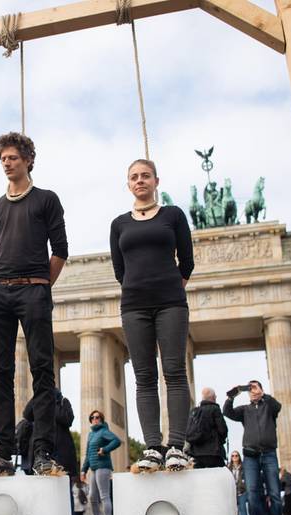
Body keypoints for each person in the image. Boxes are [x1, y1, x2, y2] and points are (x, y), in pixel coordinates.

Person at [0, 132, 68, 477]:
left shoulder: (46, 200)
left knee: (42, 371)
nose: (7, 163)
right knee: (0, 373)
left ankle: (41, 452)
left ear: (27, 160)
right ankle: (2, 454)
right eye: (3, 159)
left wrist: (40, 287)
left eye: (13, 157)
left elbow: (60, 250)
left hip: (34, 291)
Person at [110, 158, 194, 472]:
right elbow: (120, 270)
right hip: (134, 305)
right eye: (134, 177)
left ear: (156, 181)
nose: (140, 180)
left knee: (173, 371)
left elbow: (186, 260)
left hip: (171, 301)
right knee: (143, 377)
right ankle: (153, 447)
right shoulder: (119, 224)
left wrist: (170, 286)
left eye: (146, 176)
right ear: (128, 184)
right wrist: (141, 288)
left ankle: (176, 446)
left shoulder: (173, 215)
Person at [224, 380, 283, 515]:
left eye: (255, 388)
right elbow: (228, 412)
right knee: (252, 492)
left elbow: (278, 406)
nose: (252, 391)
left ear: (261, 390)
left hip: (269, 453)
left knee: (275, 492)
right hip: (250, 456)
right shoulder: (245, 410)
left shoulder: (269, 407)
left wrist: (263, 395)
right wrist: (231, 397)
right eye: (250, 389)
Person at [80, 410, 121, 515]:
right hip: (93, 468)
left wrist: (105, 449)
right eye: (92, 417)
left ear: (101, 419)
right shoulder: (91, 434)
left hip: (103, 467)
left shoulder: (104, 431)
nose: (94, 419)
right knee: (92, 496)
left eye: (97, 417)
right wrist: (83, 470)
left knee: (104, 496)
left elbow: (116, 441)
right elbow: (88, 454)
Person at [186, 387, 228, 468]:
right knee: (217, 477)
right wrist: (221, 440)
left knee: (200, 478)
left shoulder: (194, 411)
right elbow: (223, 430)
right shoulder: (215, 409)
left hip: (196, 453)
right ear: (213, 397)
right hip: (213, 453)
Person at [229, 451, 249, 515]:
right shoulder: (229, 467)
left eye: (236, 455)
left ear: (239, 456)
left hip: (242, 491)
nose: (234, 457)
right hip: (233, 492)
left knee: (243, 509)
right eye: (233, 456)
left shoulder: (243, 467)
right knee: (234, 509)